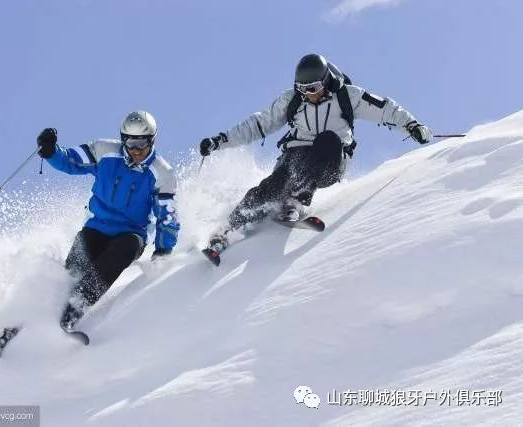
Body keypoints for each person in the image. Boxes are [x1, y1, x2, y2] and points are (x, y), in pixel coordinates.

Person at [199, 53, 432, 254]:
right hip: (296, 157)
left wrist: (412, 126)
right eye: (302, 89)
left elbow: (385, 108)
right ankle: (227, 230)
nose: (308, 94)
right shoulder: (292, 100)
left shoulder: (348, 97)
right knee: (273, 184)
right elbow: (258, 124)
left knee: (327, 141)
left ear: (325, 81)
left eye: (313, 89)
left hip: (330, 162)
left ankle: (296, 201)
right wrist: (220, 141)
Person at [37, 111, 180, 331]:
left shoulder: (162, 173)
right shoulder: (105, 152)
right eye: (131, 143)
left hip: (131, 234)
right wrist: (51, 151)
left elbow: (167, 216)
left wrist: (163, 251)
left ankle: (74, 311)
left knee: (121, 250)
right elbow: (70, 160)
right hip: (96, 227)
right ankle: (33, 318)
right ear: (123, 139)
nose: (136, 150)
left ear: (152, 140)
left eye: (142, 143)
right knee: (78, 260)